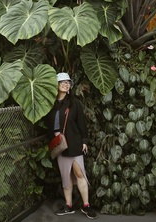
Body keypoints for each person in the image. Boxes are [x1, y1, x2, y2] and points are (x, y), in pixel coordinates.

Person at [45, 72, 97, 220]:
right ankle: (68, 205)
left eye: (68, 82)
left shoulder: (74, 103)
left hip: (74, 142)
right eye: (62, 82)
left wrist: (85, 141)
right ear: (56, 84)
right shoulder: (51, 103)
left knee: (79, 173)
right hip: (59, 145)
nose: (65, 84)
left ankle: (86, 205)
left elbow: (82, 123)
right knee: (65, 176)